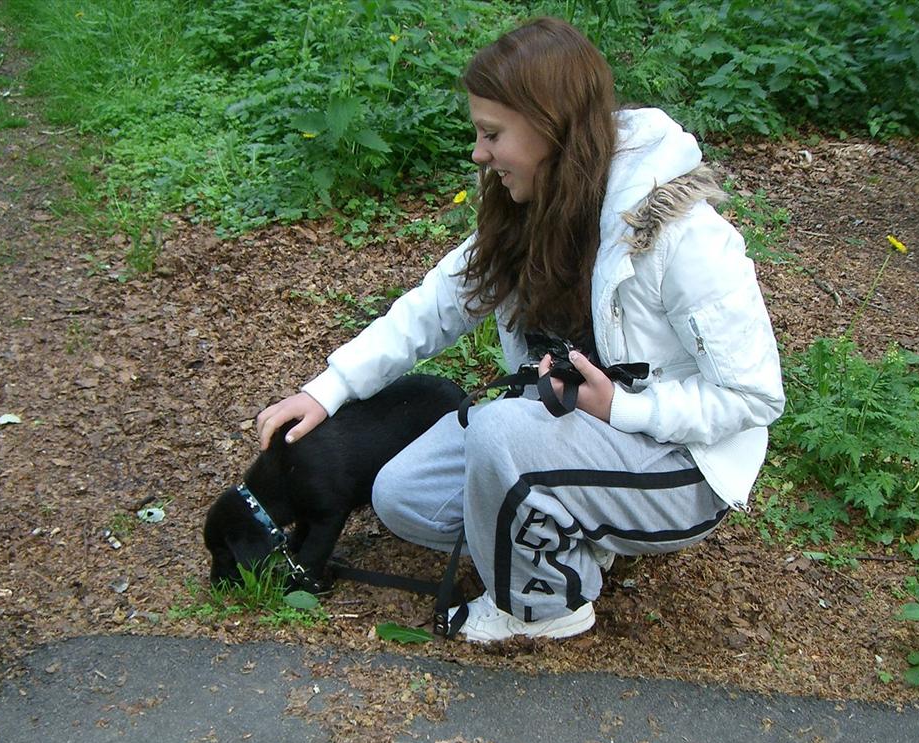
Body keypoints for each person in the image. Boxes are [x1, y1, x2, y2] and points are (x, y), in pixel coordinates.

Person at [256, 17, 785, 643]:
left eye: (492, 134)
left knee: (500, 429)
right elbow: (435, 306)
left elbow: (754, 397)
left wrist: (624, 409)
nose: (479, 154)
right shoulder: (529, 210)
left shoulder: (679, 234)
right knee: (402, 494)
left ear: (549, 126)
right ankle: (570, 533)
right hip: (574, 438)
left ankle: (545, 608)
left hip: (679, 470)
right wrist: (328, 389)